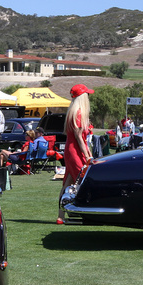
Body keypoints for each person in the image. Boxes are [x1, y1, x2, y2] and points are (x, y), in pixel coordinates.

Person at [58, 84, 94, 223]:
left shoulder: (73, 112)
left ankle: (61, 215)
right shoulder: (79, 112)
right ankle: (85, 211)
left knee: (68, 182)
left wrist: (87, 152)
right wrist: (87, 155)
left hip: (72, 149)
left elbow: (81, 138)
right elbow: (79, 137)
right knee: (83, 180)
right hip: (75, 151)